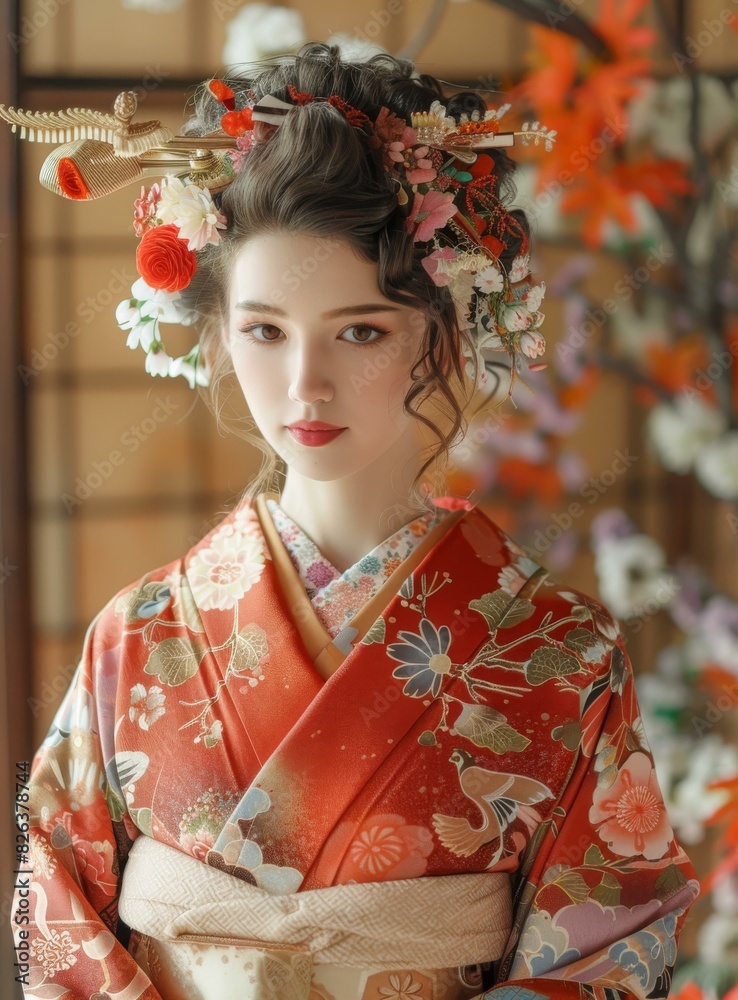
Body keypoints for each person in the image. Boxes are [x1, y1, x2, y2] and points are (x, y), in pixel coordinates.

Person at [6, 42, 698, 1000]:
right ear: (215, 330)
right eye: (264, 330)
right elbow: (64, 926)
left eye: (360, 330)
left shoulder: (560, 654)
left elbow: (608, 949)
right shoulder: (136, 637)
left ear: (439, 327)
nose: (305, 385)